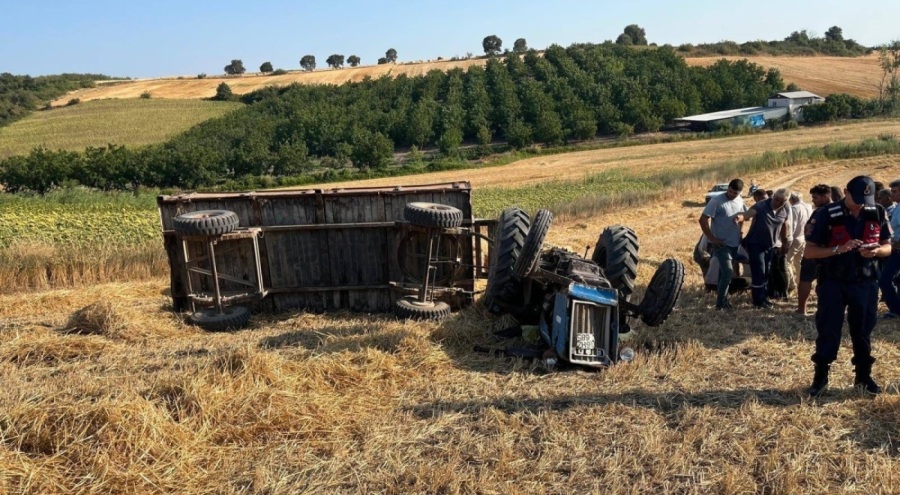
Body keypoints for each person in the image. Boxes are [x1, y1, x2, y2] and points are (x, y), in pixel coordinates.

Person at [803, 175, 892, 396]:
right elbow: (809, 251)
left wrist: (875, 251)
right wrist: (838, 249)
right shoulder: (825, 214)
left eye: (867, 198)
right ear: (845, 192)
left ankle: (863, 377)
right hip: (834, 282)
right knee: (829, 330)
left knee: (862, 331)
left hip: (865, 282)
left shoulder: (877, 212)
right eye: (858, 198)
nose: (862, 203)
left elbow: (887, 246)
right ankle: (821, 377)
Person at [735, 188, 791, 308]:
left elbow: (784, 224)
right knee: (759, 271)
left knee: (766, 272)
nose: (777, 203)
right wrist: (741, 217)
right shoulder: (761, 206)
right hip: (755, 244)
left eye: (781, 202)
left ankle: (764, 297)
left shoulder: (785, 208)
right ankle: (758, 301)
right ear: (773, 197)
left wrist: (785, 241)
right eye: (776, 200)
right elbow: (750, 213)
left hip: (769, 245)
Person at [699, 178, 746, 311]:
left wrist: (741, 230)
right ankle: (721, 303)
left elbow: (744, 215)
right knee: (728, 272)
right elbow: (703, 219)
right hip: (720, 244)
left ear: (739, 192)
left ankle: (721, 297)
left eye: (734, 193)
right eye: (730, 191)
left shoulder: (740, 200)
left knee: (722, 273)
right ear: (728, 188)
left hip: (734, 243)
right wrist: (712, 238)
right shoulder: (716, 201)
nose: (731, 194)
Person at [797, 185, 832, 315]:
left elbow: (808, 229)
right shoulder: (839, 210)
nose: (813, 200)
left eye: (815, 197)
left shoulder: (820, 212)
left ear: (826, 196)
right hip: (831, 251)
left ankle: (802, 309)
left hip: (815, 250)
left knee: (806, 279)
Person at [878, 179, 900, 318]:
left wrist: (892, 247)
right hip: (896, 249)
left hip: (897, 250)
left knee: (885, 280)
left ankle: (895, 309)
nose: (891, 195)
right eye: (891, 191)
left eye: (895, 191)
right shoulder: (898, 206)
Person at [786, 191, 813, 295]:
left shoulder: (794, 208)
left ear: (791, 199)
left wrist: (789, 239)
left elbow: (792, 224)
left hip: (795, 238)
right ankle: (800, 283)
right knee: (799, 262)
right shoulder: (808, 206)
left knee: (787, 261)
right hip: (805, 237)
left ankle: (791, 284)